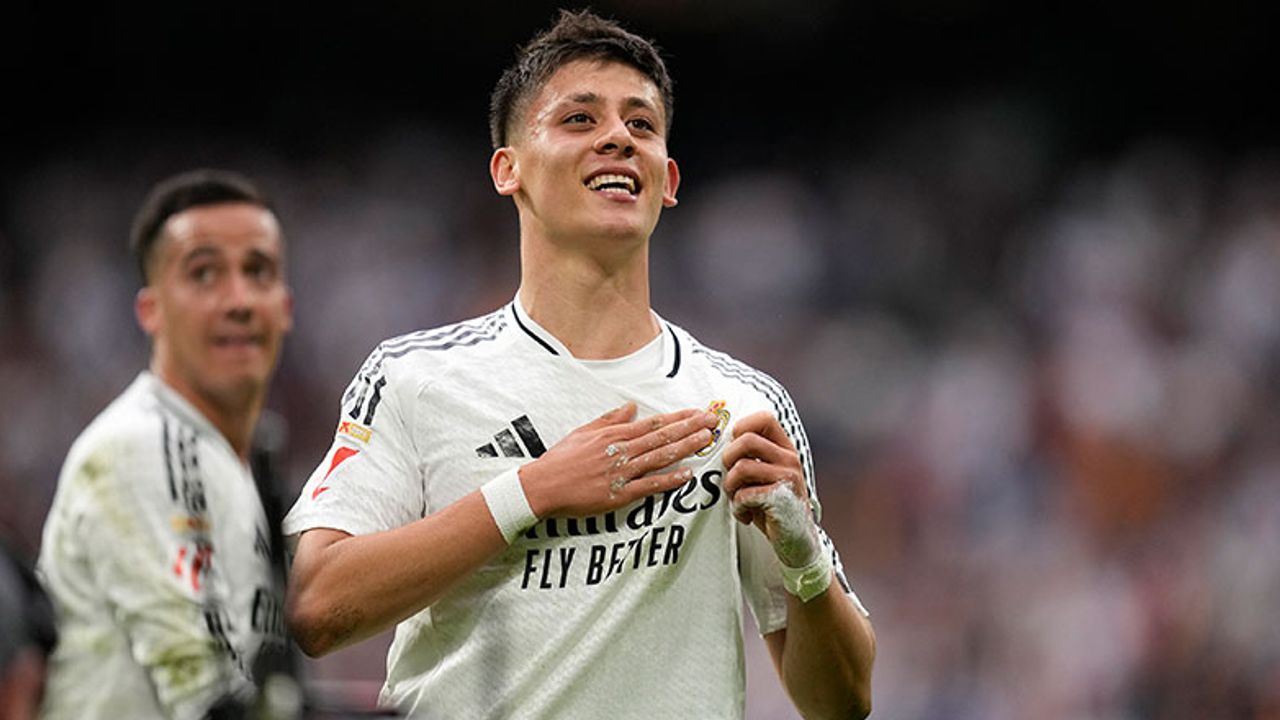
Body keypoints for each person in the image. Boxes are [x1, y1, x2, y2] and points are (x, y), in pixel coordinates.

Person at [284, 9, 875, 719]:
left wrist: (804, 555)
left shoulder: (743, 405)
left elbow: (842, 703)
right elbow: (314, 607)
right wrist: (532, 491)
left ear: (668, 180)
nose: (618, 137)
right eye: (579, 119)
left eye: (641, 125)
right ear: (508, 170)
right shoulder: (414, 380)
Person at [37, 169, 293, 719]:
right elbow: (211, 701)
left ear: (286, 306)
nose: (239, 300)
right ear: (150, 310)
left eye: (258, 271)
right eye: (204, 274)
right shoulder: (143, 445)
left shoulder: (243, 460)